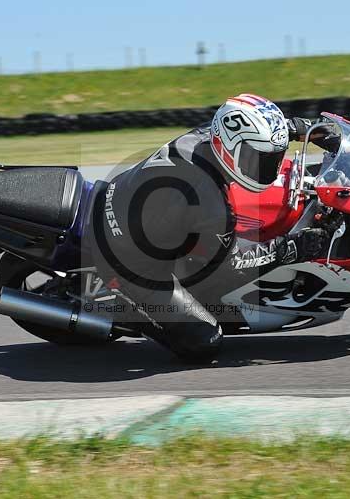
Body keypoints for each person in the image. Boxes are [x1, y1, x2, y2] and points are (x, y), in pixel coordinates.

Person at [88, 94, 330, 361]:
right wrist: (290, 248)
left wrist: (307, 128)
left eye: (271, 159)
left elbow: (262, 127)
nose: (269, 167)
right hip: (128, 260)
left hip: (125, 201)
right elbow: (234, 265)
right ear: (230, 150)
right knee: (205, 340)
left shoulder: (210, 134)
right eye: (258, 159)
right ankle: (133, 311)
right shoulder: (211, 203)